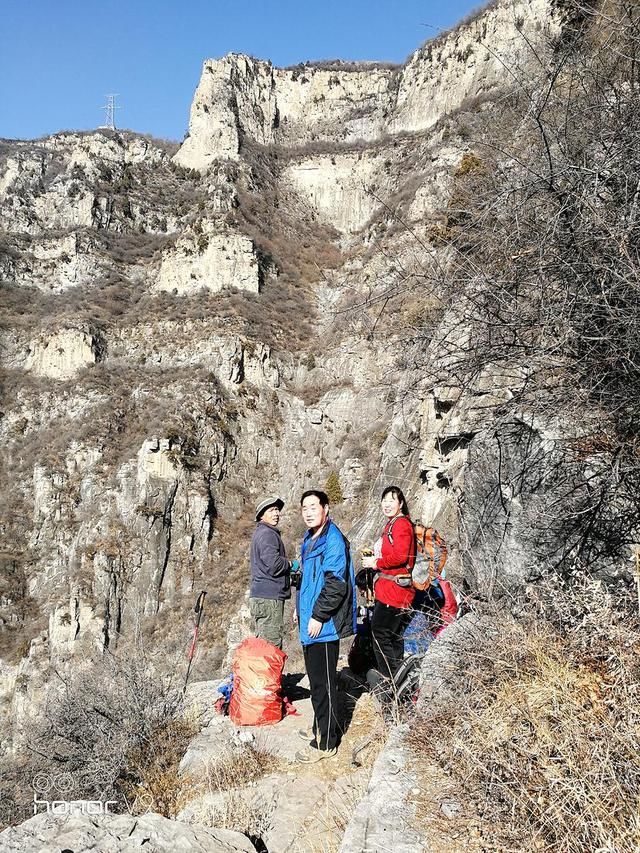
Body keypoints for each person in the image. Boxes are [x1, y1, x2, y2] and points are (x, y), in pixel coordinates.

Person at [295, 489, 356, 763]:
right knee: (317, 681)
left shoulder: (332, 539)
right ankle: (320, 727)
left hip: (324, 625)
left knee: (325, 684)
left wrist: (318, 616)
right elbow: (309, 581)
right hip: (310, 623)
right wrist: (300, 611)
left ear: (326, 508)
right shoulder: (310, 539)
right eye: (304, 508)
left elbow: (335, 584)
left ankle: (327, 742)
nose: (308, 512)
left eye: (313, 507)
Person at [361, 485, 416, 682]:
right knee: (393, 637)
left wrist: (377, 562)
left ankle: (391, 679)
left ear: (400, 504)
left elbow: (401, 556)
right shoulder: (393, 524)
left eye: (392, 500)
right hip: (395, 590)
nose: (387, 504)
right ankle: (399, 678)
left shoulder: (400, 524)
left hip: (394, 592)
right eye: (384, 500)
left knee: (380, 634)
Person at [249, 496, 296, 650]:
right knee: (271, 645)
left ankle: (262, 674)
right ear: (261, 515)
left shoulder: (261, 533)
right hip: (269, 597)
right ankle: (268, 675)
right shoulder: (268, 534)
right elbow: (274, 565)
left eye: (277, 510)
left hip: (261, 595)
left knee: (263, 642)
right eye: (271, 510)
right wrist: (290, 564)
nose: (276, 513)